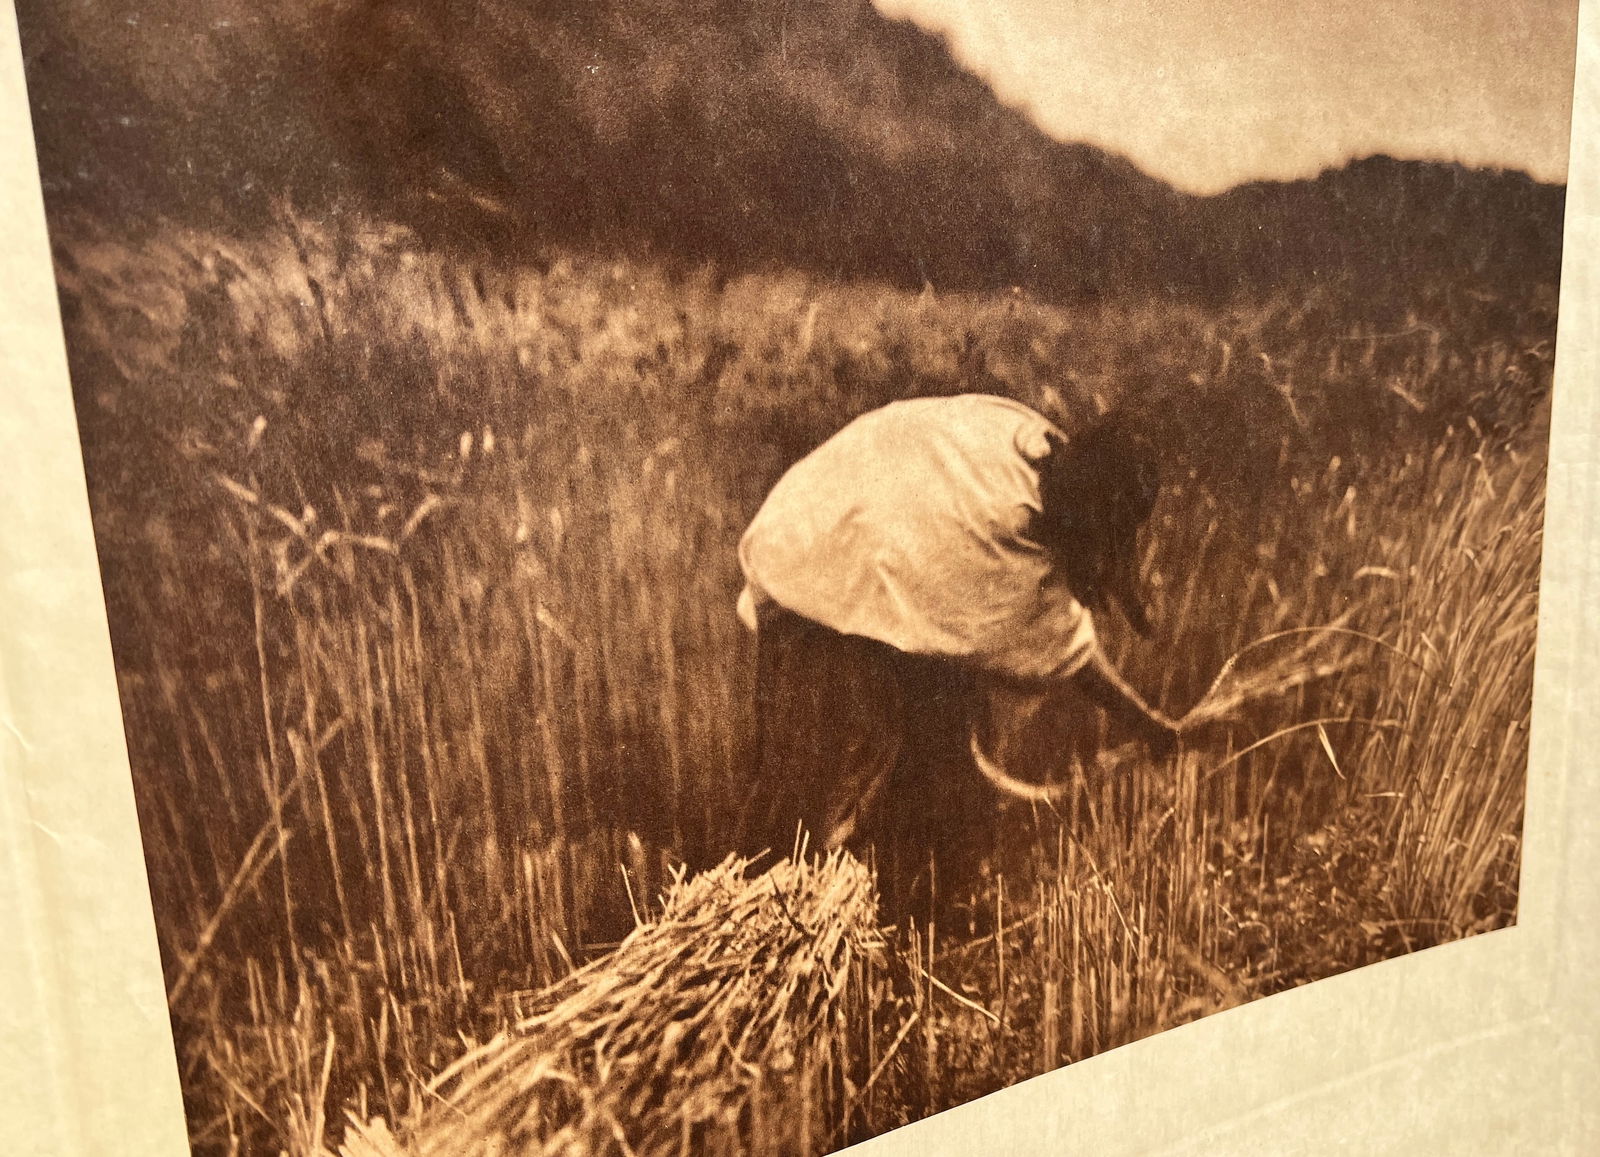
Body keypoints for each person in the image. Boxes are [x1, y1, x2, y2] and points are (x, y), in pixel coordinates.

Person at [734, 393, 1179, 918]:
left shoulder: (1029, 447)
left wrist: (1145, 722)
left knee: (935, 745)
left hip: (847, 536)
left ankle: (907, 917)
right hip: (815, 567)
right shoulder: (992, 524)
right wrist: (1145, 722)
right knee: (825, 783)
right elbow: (1065, 646)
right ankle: (771, 926)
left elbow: (1065, 642)